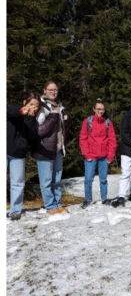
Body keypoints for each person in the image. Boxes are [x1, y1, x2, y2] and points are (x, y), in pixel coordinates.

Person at [33, 82, 71, 215]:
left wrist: (66, 122)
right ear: (44, 90)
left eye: (55, 90)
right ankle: (50, 206)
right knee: (46, 180)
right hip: (44, 149)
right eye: (50, 89)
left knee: (57, 180)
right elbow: (39, 131)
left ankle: (58, 203)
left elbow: (60, 129)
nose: (53, 92)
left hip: (58, 149)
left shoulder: (59, 106)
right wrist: (54, 116)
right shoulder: (42, 106)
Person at [7, 93, 40, 221]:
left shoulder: (32, 120)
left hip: (19, 155)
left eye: (36, 106)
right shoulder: (15, 110)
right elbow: (9, 111)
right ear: (25, 101)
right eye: (31, 104)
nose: (33, 108)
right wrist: (22, 111)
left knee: (18, 183)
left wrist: (30, 119)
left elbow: (32, 136)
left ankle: (15, 211)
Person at [78, 99, 117, 208]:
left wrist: (110, 155)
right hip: (91, 156)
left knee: (103, 179)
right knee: (88, 179)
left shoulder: (108, 122)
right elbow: (83, 138)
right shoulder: (88, 121)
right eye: (98, 109)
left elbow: (112, 140)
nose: (100, 111)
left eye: (102, 109)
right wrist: (87, 154)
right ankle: (88, 199)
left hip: (104, 156)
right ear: (94, 109)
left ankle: (104, 198)